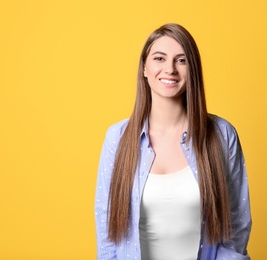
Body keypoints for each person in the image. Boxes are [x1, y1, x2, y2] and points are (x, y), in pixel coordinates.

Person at [95, 23, 251, 260]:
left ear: (193, 70)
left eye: (181, 60)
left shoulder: (221, 135)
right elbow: (108, 235)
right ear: (144, 68)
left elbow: (237, 226)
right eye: (159, 58)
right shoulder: (117, 139)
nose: (170, 69)